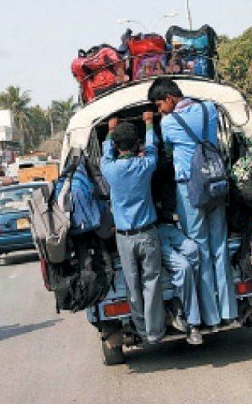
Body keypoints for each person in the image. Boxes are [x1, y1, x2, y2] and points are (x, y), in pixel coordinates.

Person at [148, 76, 236, 329]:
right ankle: (228, 309)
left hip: (190, 189)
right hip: (216, 184)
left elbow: (165, 152)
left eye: (159, 104)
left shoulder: (168, 123)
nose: (159, 110)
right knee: (219, 245)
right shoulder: (208, 108)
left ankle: (210, 316)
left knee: (200, 248)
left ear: (170, 99)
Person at [100, 112, 166, 344]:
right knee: (152, 283)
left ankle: (140, 327)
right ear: (136, 143)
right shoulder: (145, 165)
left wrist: (110, 129)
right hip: (148, 233)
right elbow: (152, 148)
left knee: (133, 285)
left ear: (117, 146)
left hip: (124, 238)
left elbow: (105, 153)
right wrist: (149, 123)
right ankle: (155, 331)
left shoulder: (109, 169)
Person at [157, 215, 203, 345]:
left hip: (168, 227)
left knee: (193, 249)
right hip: (152, 232)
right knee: (184, 267)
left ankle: (179, 302)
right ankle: (192, 323)